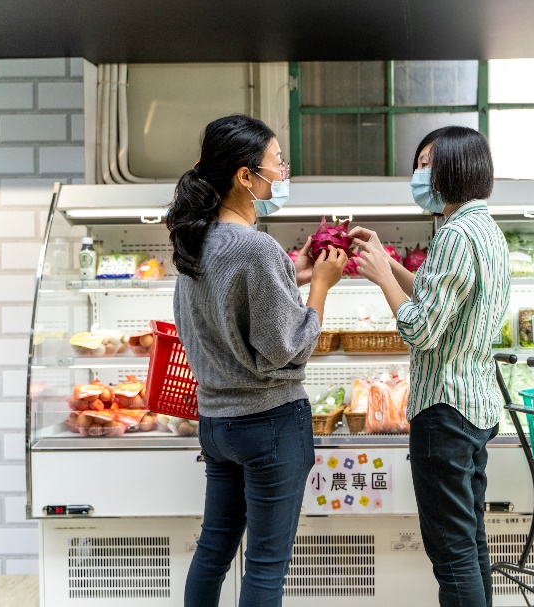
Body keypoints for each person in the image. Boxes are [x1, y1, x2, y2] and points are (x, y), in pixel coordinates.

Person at [167, 114, 347, 607]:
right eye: (277, 162)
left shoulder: (195, 242)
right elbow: (288, 345)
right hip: (270, 422)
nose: (283, 171)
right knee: (266, 563)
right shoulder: (256, 246)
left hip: (217, 423)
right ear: (246, 176)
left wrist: (292, 272)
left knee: (214, 549)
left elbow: (223, 308)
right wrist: (322, 288)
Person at [352, 126, 511, 607]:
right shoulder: (484, 230)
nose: (418, 174)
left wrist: (381, 278)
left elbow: (421, 329)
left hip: (443, 411)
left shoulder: (455, 234)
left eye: (426, 163)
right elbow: (438, 292)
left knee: (451, 552)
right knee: (470, 540)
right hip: (475, 408)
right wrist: (390, 260)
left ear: (454, 168)